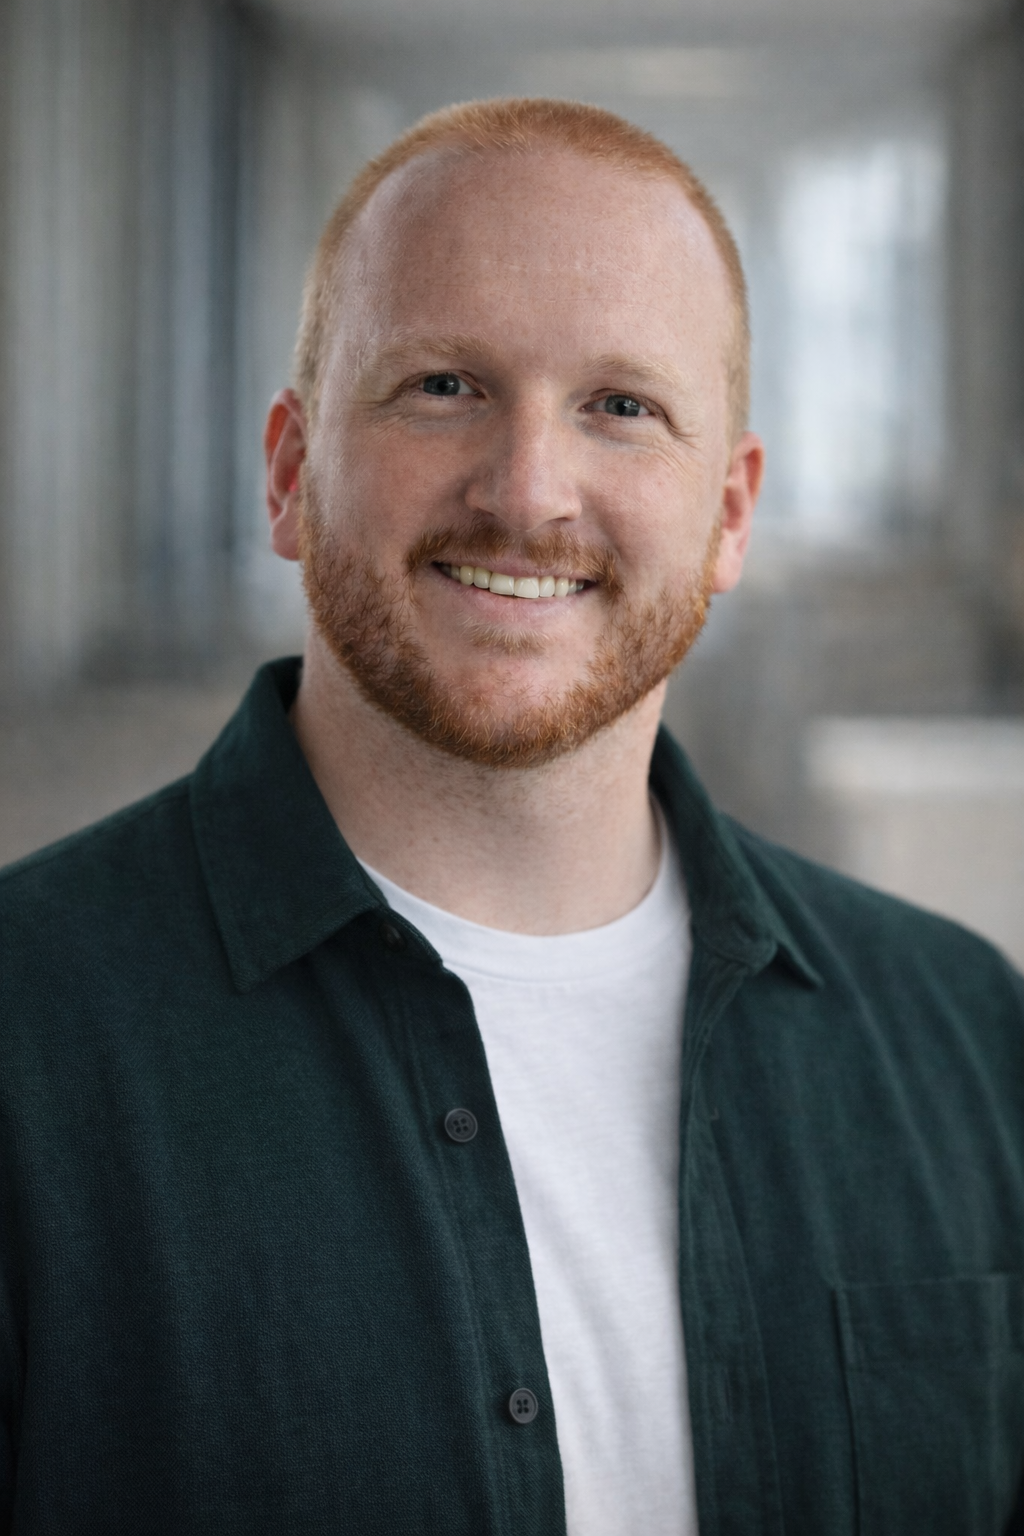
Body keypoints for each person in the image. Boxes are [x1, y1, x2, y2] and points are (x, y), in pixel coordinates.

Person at [0, 97, 1022, 1536]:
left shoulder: (968, 1037)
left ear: (730, 516)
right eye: (442, 386)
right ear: (291, 473)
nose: (529, 492)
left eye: (621, 407)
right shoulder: (28, 1037)